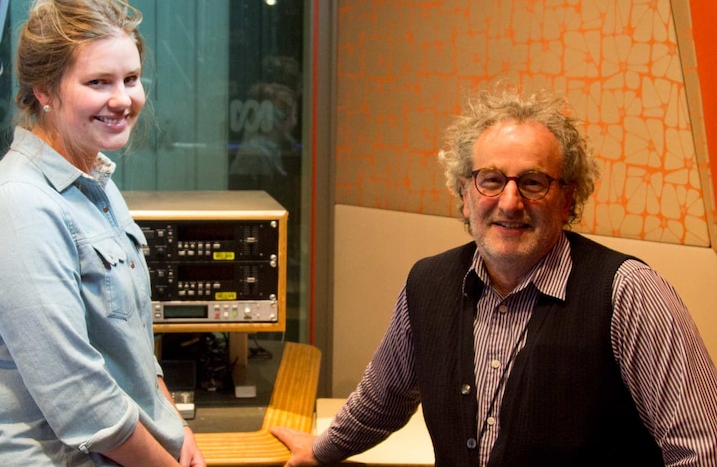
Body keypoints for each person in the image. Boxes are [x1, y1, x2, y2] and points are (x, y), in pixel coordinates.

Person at [269, 85, 717, 466]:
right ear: (463, 192)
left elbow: (701, 450)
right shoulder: (427, 284)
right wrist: (320, 451)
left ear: (568, 199)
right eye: (490, 180)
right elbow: (382, 400)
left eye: (534, 182)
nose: (509, 201)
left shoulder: (628, 292)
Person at [0, 0, 205, 466]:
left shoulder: (96, 182)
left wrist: (174, 429)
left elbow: (131, 343)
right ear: (44, 90)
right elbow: (79, 396)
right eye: (98, 82)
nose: (123, 99)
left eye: (131, 78)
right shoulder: (18, 206)